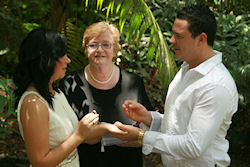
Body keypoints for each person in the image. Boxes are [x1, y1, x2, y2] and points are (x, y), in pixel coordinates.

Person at [110, 4, 239, 167]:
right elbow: (179, 126)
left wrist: (142, 136)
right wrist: (149, 118)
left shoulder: (216, 85)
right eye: (173, 34)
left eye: (179, 36)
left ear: (201, 39)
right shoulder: (186, 69)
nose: (171, 40)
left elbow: (193, 146)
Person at [59, 21, 153, 167]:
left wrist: (98, 134)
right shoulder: (71, 82)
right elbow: (65, 132)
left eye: (106, 45)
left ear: (115, 50)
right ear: (85, 49)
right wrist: (116, 133)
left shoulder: (133, 82)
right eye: (93, 45)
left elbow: (148, 129)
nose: (99, 50)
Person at [13, 28, 100, 167]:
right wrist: (80, 135)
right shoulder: (33, 104)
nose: (68, 60)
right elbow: (40, 162)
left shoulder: (55, 93)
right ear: (44, 61)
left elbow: (77, 132)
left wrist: (113, 129)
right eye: (62, 55)